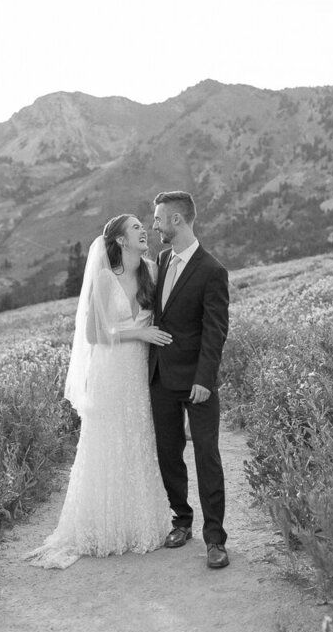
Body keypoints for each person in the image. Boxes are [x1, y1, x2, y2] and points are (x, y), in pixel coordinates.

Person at [26, 214, 174, 569]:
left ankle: (139, 523)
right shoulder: (105, 278)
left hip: (140, 367)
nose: (144, 231)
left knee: (138, 436)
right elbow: (93, 335)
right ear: (121, 240)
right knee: (107, 440)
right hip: (112, 368)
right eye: (136, 227)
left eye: (144, 226)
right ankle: (101, 526)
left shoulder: (152, 272)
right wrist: (139, 333)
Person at [148, 191, 231, 569]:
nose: (154, 225)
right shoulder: (162, 260)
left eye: (159, 219)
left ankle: (216, 539)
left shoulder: (212, 271)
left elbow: (215, 331)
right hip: (162, 377)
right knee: (168, 453)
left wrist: (205, 379)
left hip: (197, 382)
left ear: (177, 221)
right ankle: (181, 520)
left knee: (207, 456)